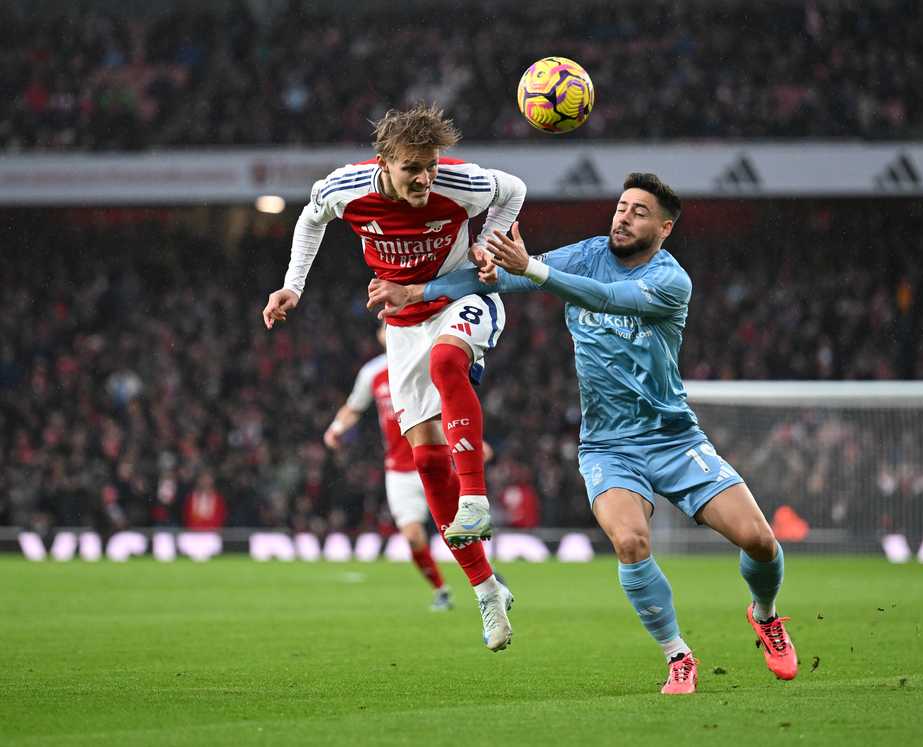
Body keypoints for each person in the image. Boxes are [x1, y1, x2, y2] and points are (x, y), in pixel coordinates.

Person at [369, 173, 797, 692]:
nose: (624, 216)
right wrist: (420, 289)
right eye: (621, 206)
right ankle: (677, 655)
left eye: (639, 211)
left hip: (674, 438)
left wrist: (536, 269)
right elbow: (497, 279)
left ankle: (766, 615)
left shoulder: (671, 279)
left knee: (759, 540)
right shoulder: (586, 253)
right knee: (631, 542)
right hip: (608, 446)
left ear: (664, 228)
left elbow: (607, 298)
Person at [262, 104, 525, 652]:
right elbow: (310, 219)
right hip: (402, 323)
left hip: (461, 299)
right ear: (385, 162)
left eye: (429, 166)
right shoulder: (346, 188)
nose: (424, 178)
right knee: (427, 459)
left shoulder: (460, 182)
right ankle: (486, 589)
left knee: (449, 361)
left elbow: (515, 189)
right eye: (411, 168)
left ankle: (475, 498)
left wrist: (488, 243)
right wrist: (293, 287)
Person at [324, 324, 452, 612]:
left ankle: (488, 577)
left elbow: (450, 404)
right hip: (399, 469)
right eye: (384, 326)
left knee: (459, 528)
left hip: (436, 458)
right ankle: (441, 590)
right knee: (412, 535)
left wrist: (471, 440)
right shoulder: (372, 373)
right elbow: (354, 407)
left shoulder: (425, 358)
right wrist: (336, 428)